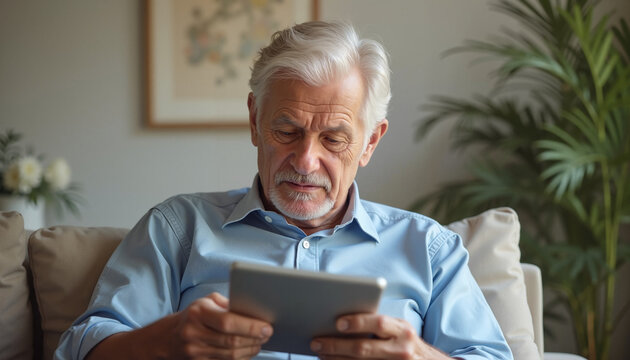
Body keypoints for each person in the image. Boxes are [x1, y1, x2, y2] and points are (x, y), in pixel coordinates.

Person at [55, 21, 513, 360]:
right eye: (287, 130)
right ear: (255, 120)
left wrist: (420, 357)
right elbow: (79, 349)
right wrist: (168, 341)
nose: (306, 161)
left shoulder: (429, 249)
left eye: (333, 139)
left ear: (370, 141)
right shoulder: (178, 229)